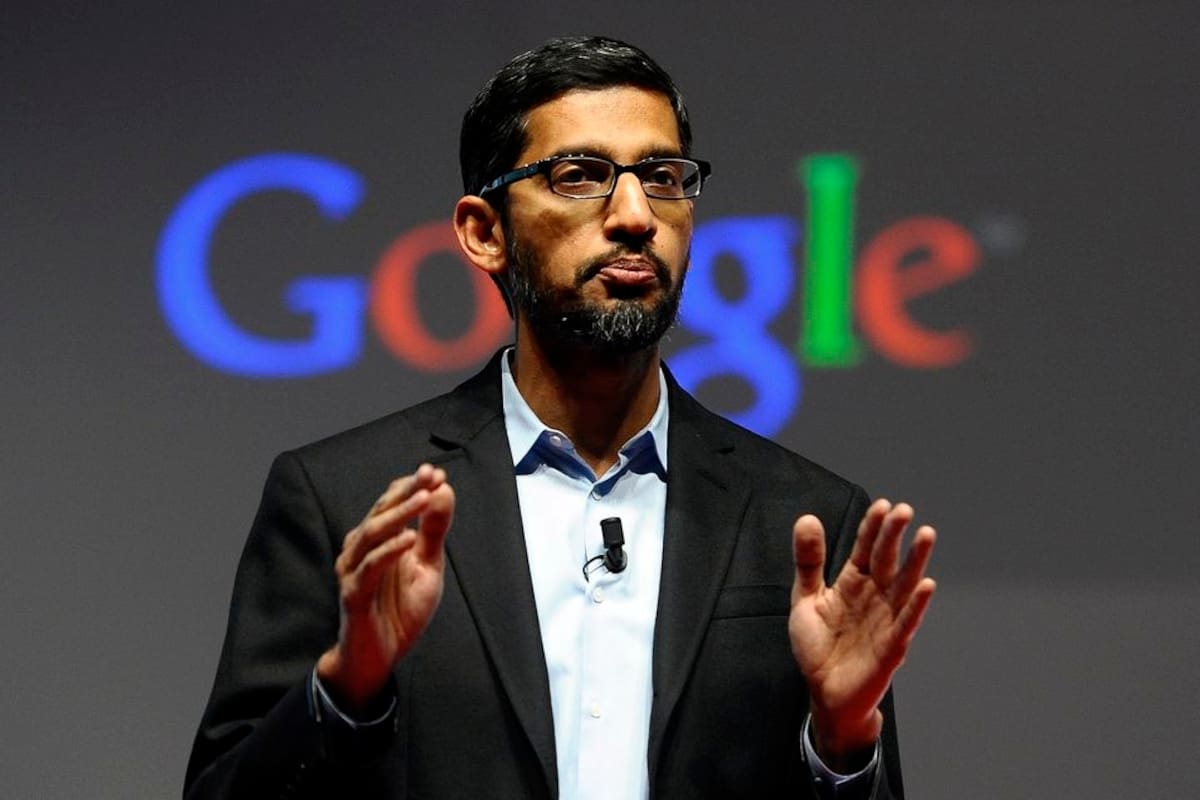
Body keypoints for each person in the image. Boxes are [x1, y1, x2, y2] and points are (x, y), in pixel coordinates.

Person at [184, 35, 936, 800]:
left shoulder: (804, 520)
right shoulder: (343, 500)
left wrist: (841, 746)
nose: (637, 215)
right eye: (582, 176)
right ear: (485, 232)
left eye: (664, 177)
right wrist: (346, 689)